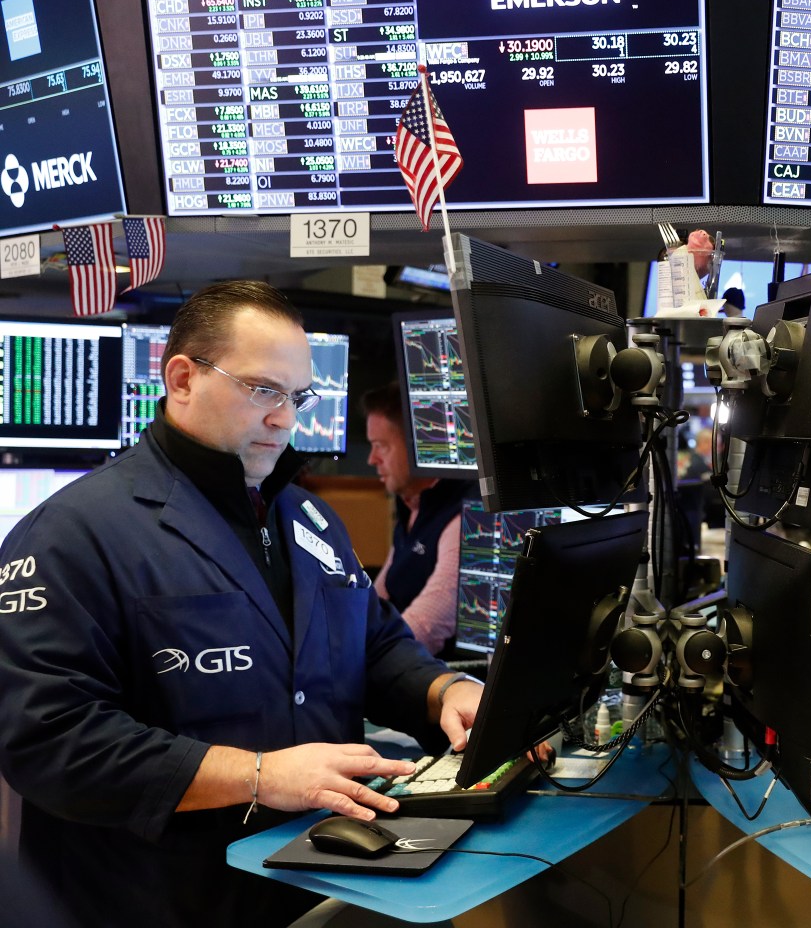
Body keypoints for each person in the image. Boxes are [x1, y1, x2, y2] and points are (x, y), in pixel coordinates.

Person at [0, 282, 485, 928]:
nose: (286, 418)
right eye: (263, 390)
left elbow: (372, 646)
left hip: (312, 886)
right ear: (181, 379)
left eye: (297, 396)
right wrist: (256, 775)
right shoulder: (73, 535)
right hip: (155, 901)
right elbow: (47, 741)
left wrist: (444, 691)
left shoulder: (309, 518)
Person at [363, 381, 471, 655]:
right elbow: (378, 600)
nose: (371, 459)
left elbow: (426, 627)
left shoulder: (465, 514)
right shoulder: (412, 505)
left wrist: (355, 660)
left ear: (417, 446)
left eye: (380, 446)